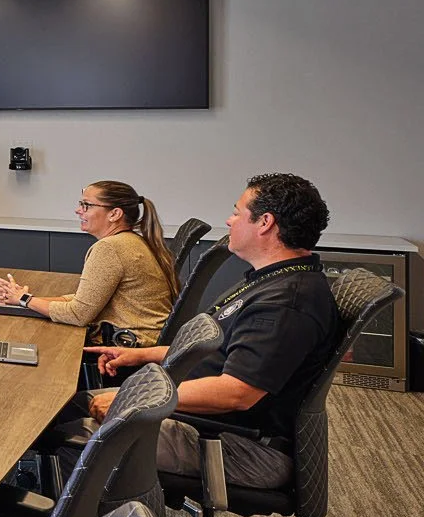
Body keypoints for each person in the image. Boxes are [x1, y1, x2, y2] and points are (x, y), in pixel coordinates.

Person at [83, 173, 341, 490]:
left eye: (237, 212)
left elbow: (237, 392)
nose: (229, 220)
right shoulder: (271, 280)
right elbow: (214, 349)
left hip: (238, 445)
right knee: (70, 406)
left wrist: (133, 400)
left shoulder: (287, 303)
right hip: (203, 418)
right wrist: (142, 354)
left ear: (265, 223)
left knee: (68, 435)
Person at [0, 180, 177, 346]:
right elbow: (86, 299)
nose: (78, 210)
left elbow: (78, 314)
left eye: (86, 205)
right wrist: (25, 298)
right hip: (144, 340)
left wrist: (25, 301)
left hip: (127, 346)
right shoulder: (130, 241)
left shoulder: (110, 248)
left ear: (114, 214)